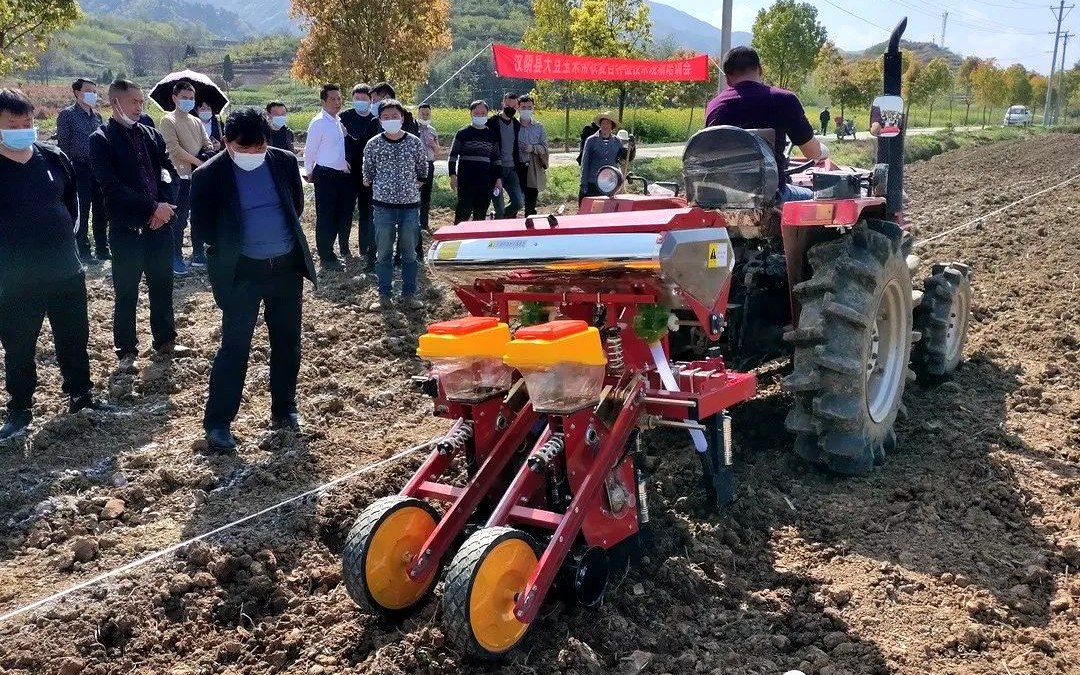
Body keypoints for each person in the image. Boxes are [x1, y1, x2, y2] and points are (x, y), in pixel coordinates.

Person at [191, 109, 316, 452]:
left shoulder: (284, 162)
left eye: (259, 147)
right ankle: (218, 424)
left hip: (286, 269)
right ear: (226, 143)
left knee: (287, 341)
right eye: (244, 149)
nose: (253, 154)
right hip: (242, 273)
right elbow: (201, 227)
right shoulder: (209, 175)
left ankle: (284, 408)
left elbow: (296, 206)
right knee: (234, 348)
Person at [0, 89, 114, 441]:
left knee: (74, 336)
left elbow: (70, 202)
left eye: (28, 122)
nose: (22, 128)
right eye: (12, 124)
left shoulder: (52, 157)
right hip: (15, 278)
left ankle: (81, 395)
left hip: (65, 268)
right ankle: (20, 408)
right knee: (19, 344)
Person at [90, 79, 189, 372]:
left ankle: (165, 340)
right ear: (115, 102)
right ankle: (126, 350)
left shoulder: (149, 134)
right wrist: (151, 207)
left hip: (159, 226)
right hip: (128, 229)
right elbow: (111, 186)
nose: (139, 108)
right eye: (134, 102)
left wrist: (166, 206)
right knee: (126, 291)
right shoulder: (102, 139)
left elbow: (168, 172)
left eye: (141, 102)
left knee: (162, 285)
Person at [704, 46, 828, 204]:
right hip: (771, 197)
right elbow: (811, 152)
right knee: (818, 196)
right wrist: (823, 151)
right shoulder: (784, 100)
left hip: (724, 198)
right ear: (760, 70)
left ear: (727, 78)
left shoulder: (714, 106)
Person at [362, 99, 428, 311]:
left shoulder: (414, 142)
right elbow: (368, 172)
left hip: (410, 207)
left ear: (402, 118)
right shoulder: (373, 144)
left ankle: (409, 295)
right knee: (383, 253)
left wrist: (415, 184)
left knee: (409, 253)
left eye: (395, 116)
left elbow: (422, 168)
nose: (391, 120)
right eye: (386, 117)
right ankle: (384, 295)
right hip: (383, 207)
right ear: (380, 120)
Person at [159, 81, 214, 274]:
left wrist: (205, 157)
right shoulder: (168, 120)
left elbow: (207, 145)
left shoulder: (196, 121)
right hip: (180, 176)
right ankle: (175, 256)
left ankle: (198, 253)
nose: (188, 101)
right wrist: (199, 162)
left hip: (197, 177)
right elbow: (174, 150)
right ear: (175, 98)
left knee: (198, 216)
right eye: (184, 98)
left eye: (191, 98)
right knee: (179, 218)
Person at [57, 77, 110, 264]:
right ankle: (83, 250)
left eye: (95, 91)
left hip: (97, 167)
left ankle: (103, 248)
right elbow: (63, 144)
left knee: (101, 208)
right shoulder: (67, 115)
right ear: (77, 92)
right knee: (82, 209)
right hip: (78, 167)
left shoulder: (97, 116)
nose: (93, 94)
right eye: (89, 90)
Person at [304, 83, 351, 272]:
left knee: (338, 214)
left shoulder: (337, 121)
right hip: (325, 174)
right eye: (332, 99)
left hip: (340, 175)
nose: (337, 102)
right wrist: (309, 172)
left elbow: (335, 149)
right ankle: (326, 256)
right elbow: (310, 150)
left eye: (339, 98)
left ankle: (331, 252)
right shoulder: (319, 122)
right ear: (323, 101)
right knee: (326, 217)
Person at [448, 101, 501, 224]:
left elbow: (496, 159)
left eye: (483, 113)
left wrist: (498, 178)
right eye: (476, 113)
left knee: (480, 213)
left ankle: (476, 240)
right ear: (471, 114)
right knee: (463, 211)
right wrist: (452, 175)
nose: (480, 116)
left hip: (485, 181)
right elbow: (453, 156)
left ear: (487, 114)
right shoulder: (463, 133)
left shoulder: (492, 135)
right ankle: (457, 237)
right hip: (466, 180)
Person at [339, 83, 374, 263]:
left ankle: (365, 246)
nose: (360, 102)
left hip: (367, 173)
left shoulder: (375, 120)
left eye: (364, 99)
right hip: (347, 171)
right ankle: (344, 246)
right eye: (356, 99)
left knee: (366, 211)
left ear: (370, 100)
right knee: (346, 210)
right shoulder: (344, 117)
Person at [488, 92, 525, 219]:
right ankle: (498, 223)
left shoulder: (516, 125)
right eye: (508, 105)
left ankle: (500, 216)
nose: (511, 109)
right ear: (503, 104)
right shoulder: (492, 122)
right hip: (495, 170)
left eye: (514, 107)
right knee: (499, 206)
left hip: (511, 168)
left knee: (519, 202)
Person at [579, 112, 627, 200]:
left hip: (610, 183)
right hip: (593, 182)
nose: (605, 126)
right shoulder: (591, 140)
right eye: (603, 123)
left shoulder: (617, 141)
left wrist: (632, 148)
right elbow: (585, 163)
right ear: (600, 125)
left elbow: (625, 158)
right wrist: (583, 183)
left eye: (608, 124)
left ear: (612, 126)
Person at [517, 95, 548, 217]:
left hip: (533, 167)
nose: (526, 110)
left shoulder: (539, 127)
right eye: (523, 107)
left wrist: (533, 148)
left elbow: (545, 148)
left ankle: (529, 225)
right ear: (518, 108)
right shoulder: (513, 125)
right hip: (517, 166)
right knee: (516, 199)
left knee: (531, 199)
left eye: (529, 107)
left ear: (533, 108)